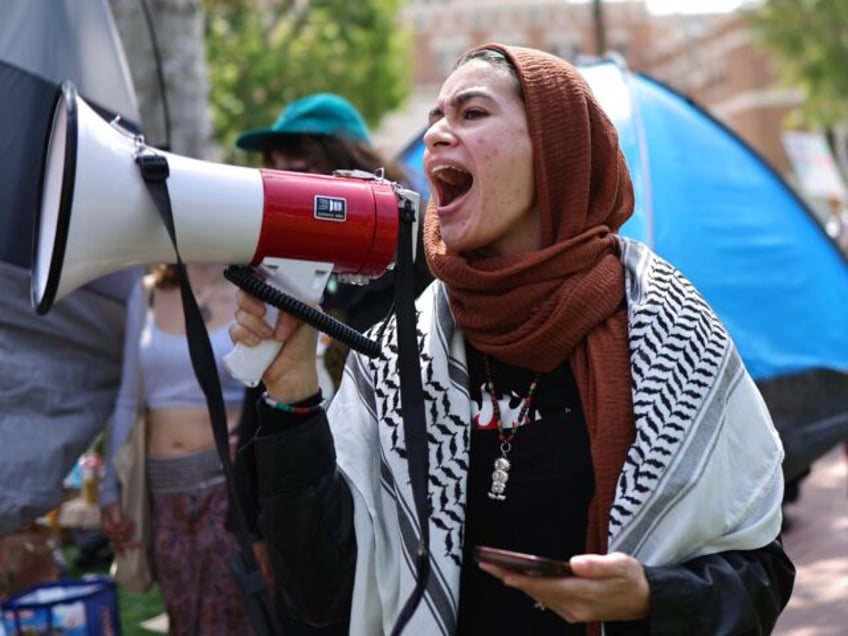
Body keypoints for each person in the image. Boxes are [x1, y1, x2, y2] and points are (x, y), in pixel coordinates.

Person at [230, 44, 795, 635]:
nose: (437, 137)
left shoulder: (667, 328)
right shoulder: (402, 352)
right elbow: (324, 591)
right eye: (435, 121)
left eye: (472, 114)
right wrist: (292, 397)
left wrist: (651, 596)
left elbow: (762, 575)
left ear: (555, 150)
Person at [235, 91, 432, 393]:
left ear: (348, 164)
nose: (286, 188)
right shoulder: (275, 262)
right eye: (274, 166)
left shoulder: (415, 256)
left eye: (300, 168)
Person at [99, 263, 251, 635]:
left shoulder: (254, 289)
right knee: (183, 614)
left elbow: (271, 388)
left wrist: (250, 447)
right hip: (163, 489)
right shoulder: (147, 292)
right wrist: (109, 488)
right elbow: (128, 398)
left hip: (227, 484)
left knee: (232, 612)